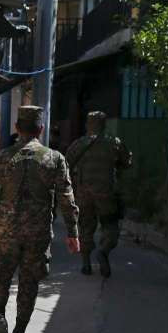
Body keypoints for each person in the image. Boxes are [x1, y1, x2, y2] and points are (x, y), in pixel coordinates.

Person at [0, 105, 80, 333]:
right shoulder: (54, 159)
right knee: (29, 282)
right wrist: (73, 232)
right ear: (41, 129)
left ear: (17, 128)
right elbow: (66, 198)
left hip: (5, 229)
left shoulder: (0, 158)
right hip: (36, 232)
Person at [65, 110, 133, 277]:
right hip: (106, 194)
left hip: (83, 195)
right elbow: (127, 162)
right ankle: (103, 251)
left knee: (85, 227)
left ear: (88, 124)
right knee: (110, 225)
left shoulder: (78, 144)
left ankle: (86, 264)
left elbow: (65, 166)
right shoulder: (113, 143)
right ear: (104, 125)